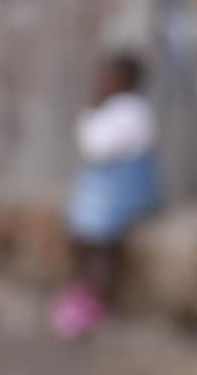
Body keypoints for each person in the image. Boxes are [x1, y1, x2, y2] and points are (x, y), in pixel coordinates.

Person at [51, 50, 163, 340]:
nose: (102, 80)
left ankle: (91, 303)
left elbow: (95, 148)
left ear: (126, 80)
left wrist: (92, 109)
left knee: (99, 241)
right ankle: (83, 296)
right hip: (105, 188)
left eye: (109, 75)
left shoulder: (129, 111)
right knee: (86, 236)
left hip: (120, 191)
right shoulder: (121, 110)